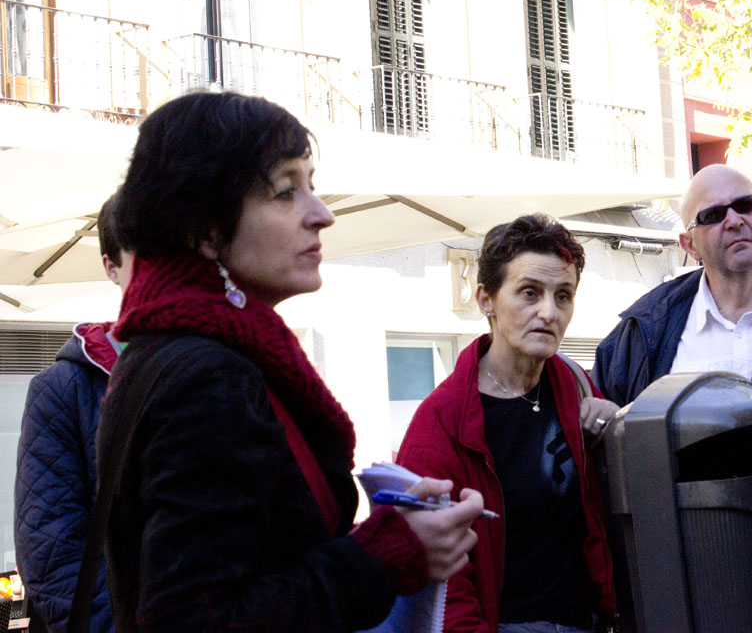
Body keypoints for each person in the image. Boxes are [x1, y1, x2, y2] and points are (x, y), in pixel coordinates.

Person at [96, 91, 481, 632]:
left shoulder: (173, 353)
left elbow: (260, 561)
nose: (322, 215)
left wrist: (389, 534)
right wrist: (382, 555)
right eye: (285, 192)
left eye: (312, 186)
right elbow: (194, 618)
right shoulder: (207, 376)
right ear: (204, 230)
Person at [397, 214, 617, 633]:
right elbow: (439, 576)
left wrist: (616, 424)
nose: (548, 312)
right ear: (486, 300)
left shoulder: (575, 386)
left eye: (563, 296)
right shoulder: (442, 420)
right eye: (529, 292)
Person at [593, 164, 752, 407]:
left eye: (746, 205)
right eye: (713, 215)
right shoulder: (644, 329)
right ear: (690, 245)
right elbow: (604, 420)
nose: (734, 221)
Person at [14, 195, 131, 633]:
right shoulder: (65, 388)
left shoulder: (234, 366)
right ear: (111, 267)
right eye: (149, 251)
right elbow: (53, 555)